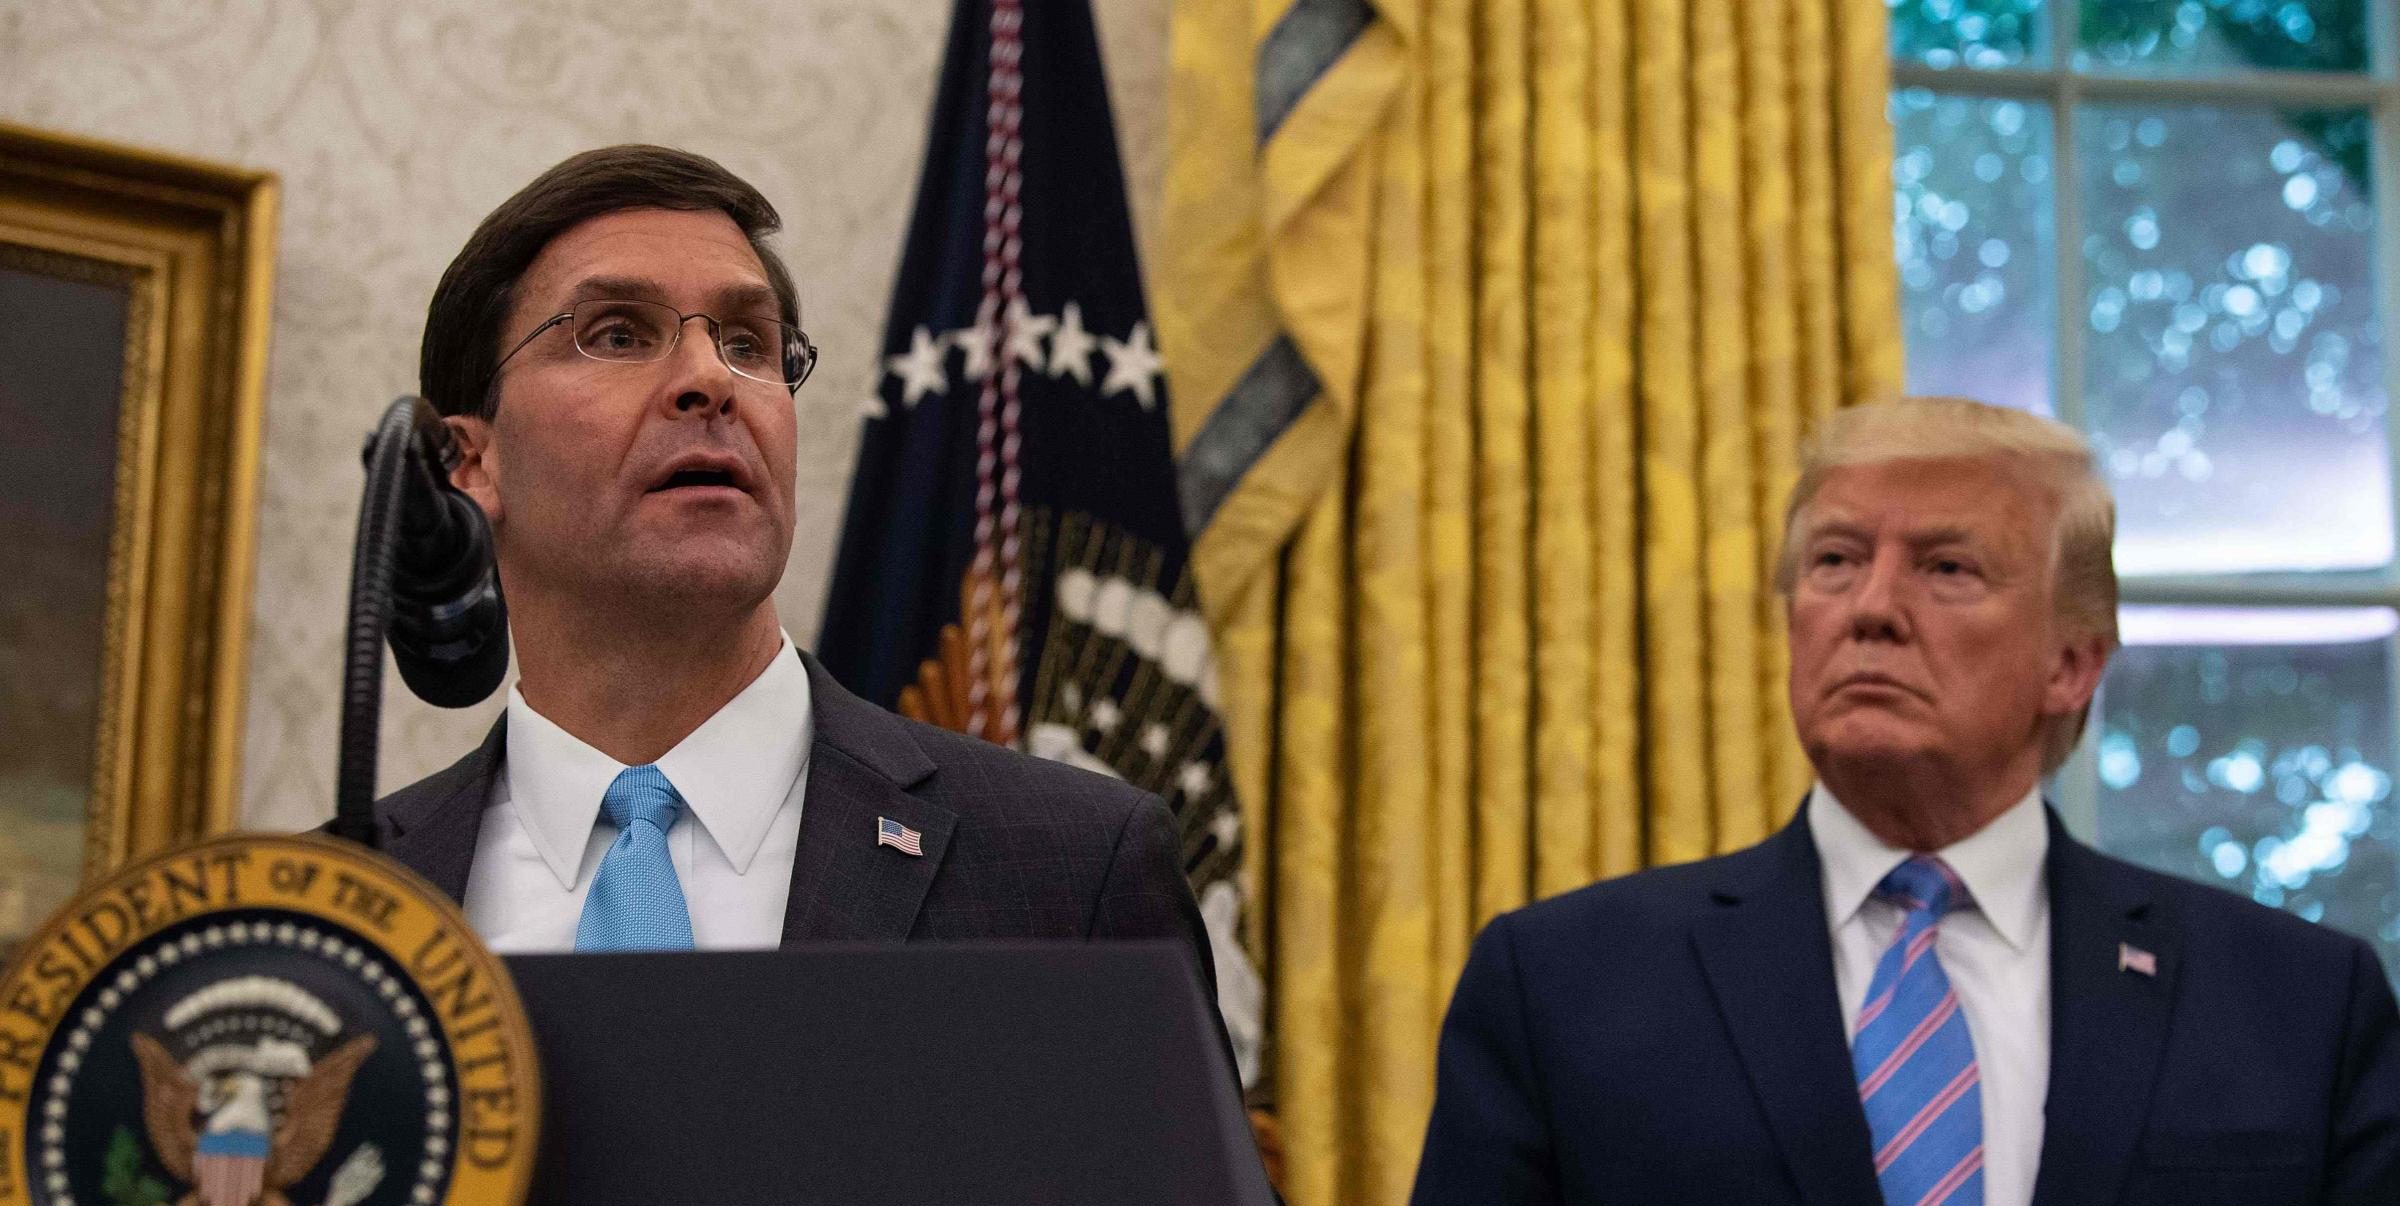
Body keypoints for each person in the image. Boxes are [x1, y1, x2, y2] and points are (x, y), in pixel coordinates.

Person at [1411, 397, 2400, 1206]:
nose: (1872, 608)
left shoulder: (2298, 1005)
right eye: (1835, 561)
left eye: (1947, 568)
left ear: (2070, 662)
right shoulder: (1563, 986)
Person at [372, 145, 1221, 1018]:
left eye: (749, 343)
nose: (711, 380)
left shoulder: (1072, 872)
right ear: (469, 462)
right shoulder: (346, 899)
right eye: (618, 334)